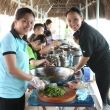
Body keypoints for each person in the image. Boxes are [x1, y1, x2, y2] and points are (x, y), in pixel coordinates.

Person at [0, 8, 46, 110]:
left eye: (31, 22)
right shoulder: (9, 39)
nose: (29, 25)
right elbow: (12, 69)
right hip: (8, 94)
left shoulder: (21, 41)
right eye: (25, 21)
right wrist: (32, 79)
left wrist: (33, 78)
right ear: (16, 21)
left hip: (19, 90)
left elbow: (22, 66)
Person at [66, 6, 110, 109]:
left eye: (76, 19)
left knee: (100, 97)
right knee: (102, 93)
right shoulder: (81, 30)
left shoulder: (86, 34)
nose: (73, 23)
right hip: (100, 66)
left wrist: (75, 68)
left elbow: (86, 56)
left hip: (104, 66)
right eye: (69, 20)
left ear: (82, 18)